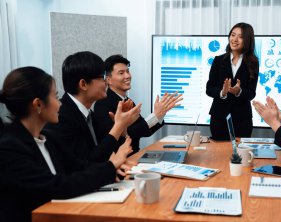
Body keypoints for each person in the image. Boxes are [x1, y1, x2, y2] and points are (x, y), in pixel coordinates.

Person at [0, 67, 133, 222]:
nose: (60, 104)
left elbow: (80, 166)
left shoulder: (48, 138)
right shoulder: (9, 148)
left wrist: (113, 169)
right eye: (56, 97)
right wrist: (111, 166)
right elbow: (57, 186)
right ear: (38, 104)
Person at [45, 51, 141, 167]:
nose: (106, 82)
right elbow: (86, 163)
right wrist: (118, 127)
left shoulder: (88, 113)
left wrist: (114, 164)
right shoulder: (62, 116)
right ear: (83, 84)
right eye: (102, 77)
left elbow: (103, 150)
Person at [93, 55, 182, 155]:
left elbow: (145, 131)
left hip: (134, 157)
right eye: (121, 73)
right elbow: (125, 135)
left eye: (128, 71)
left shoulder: (128, 100)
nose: (127, 76)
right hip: (118, 163)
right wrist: (155, 115)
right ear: (108, 80)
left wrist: (161, 114)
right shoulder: (102, 104)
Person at [206, 22, 259, 140]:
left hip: (242, 120)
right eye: (233, 35)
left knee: (241, 155)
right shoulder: (218, 60)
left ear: (248, 40)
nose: (235, 39)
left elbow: (251, 93)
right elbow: (209, 88)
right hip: (219, 118)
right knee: (219, 154)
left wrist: (238, 92)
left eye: (240, 37)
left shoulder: (253, 63)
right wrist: (222, 93)